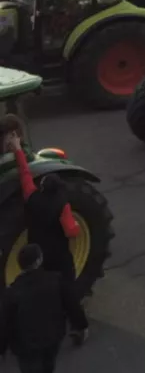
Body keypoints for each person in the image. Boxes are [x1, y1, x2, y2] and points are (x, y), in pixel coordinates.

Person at [1, 117, 88, 345]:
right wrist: (75, 227)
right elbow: (72, 231)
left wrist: (18, 150)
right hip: (59, 255)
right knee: (67, 290)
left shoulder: (31, 197)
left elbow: (25, 175)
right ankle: (79, 326)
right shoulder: (63, 205)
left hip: (38, 251)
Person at [0, 244, 87, 372]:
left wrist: (1, 349)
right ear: (39, 260)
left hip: (26, 346)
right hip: (53, 338)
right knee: (48, 365)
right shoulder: (56, 280)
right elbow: (72, 305)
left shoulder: (12, 293)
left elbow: (4, 324)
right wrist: (81, 325)